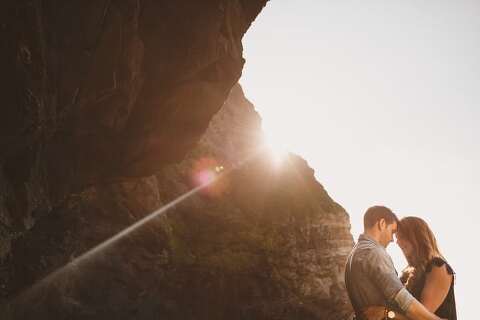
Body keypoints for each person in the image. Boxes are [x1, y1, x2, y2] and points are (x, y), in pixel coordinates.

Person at [344, 206, 445, 320]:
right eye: (392, 232)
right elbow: (403, 299)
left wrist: (386, 313)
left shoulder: (353, 255)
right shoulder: (374, 253)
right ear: (382, 224)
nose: (393, 240)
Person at [396, 217, 456, 320]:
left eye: (401, 236)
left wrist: (386, 313)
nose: (397, 242)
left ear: (415, 237)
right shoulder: (406, 274)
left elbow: (423, 316)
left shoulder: (438, 267)